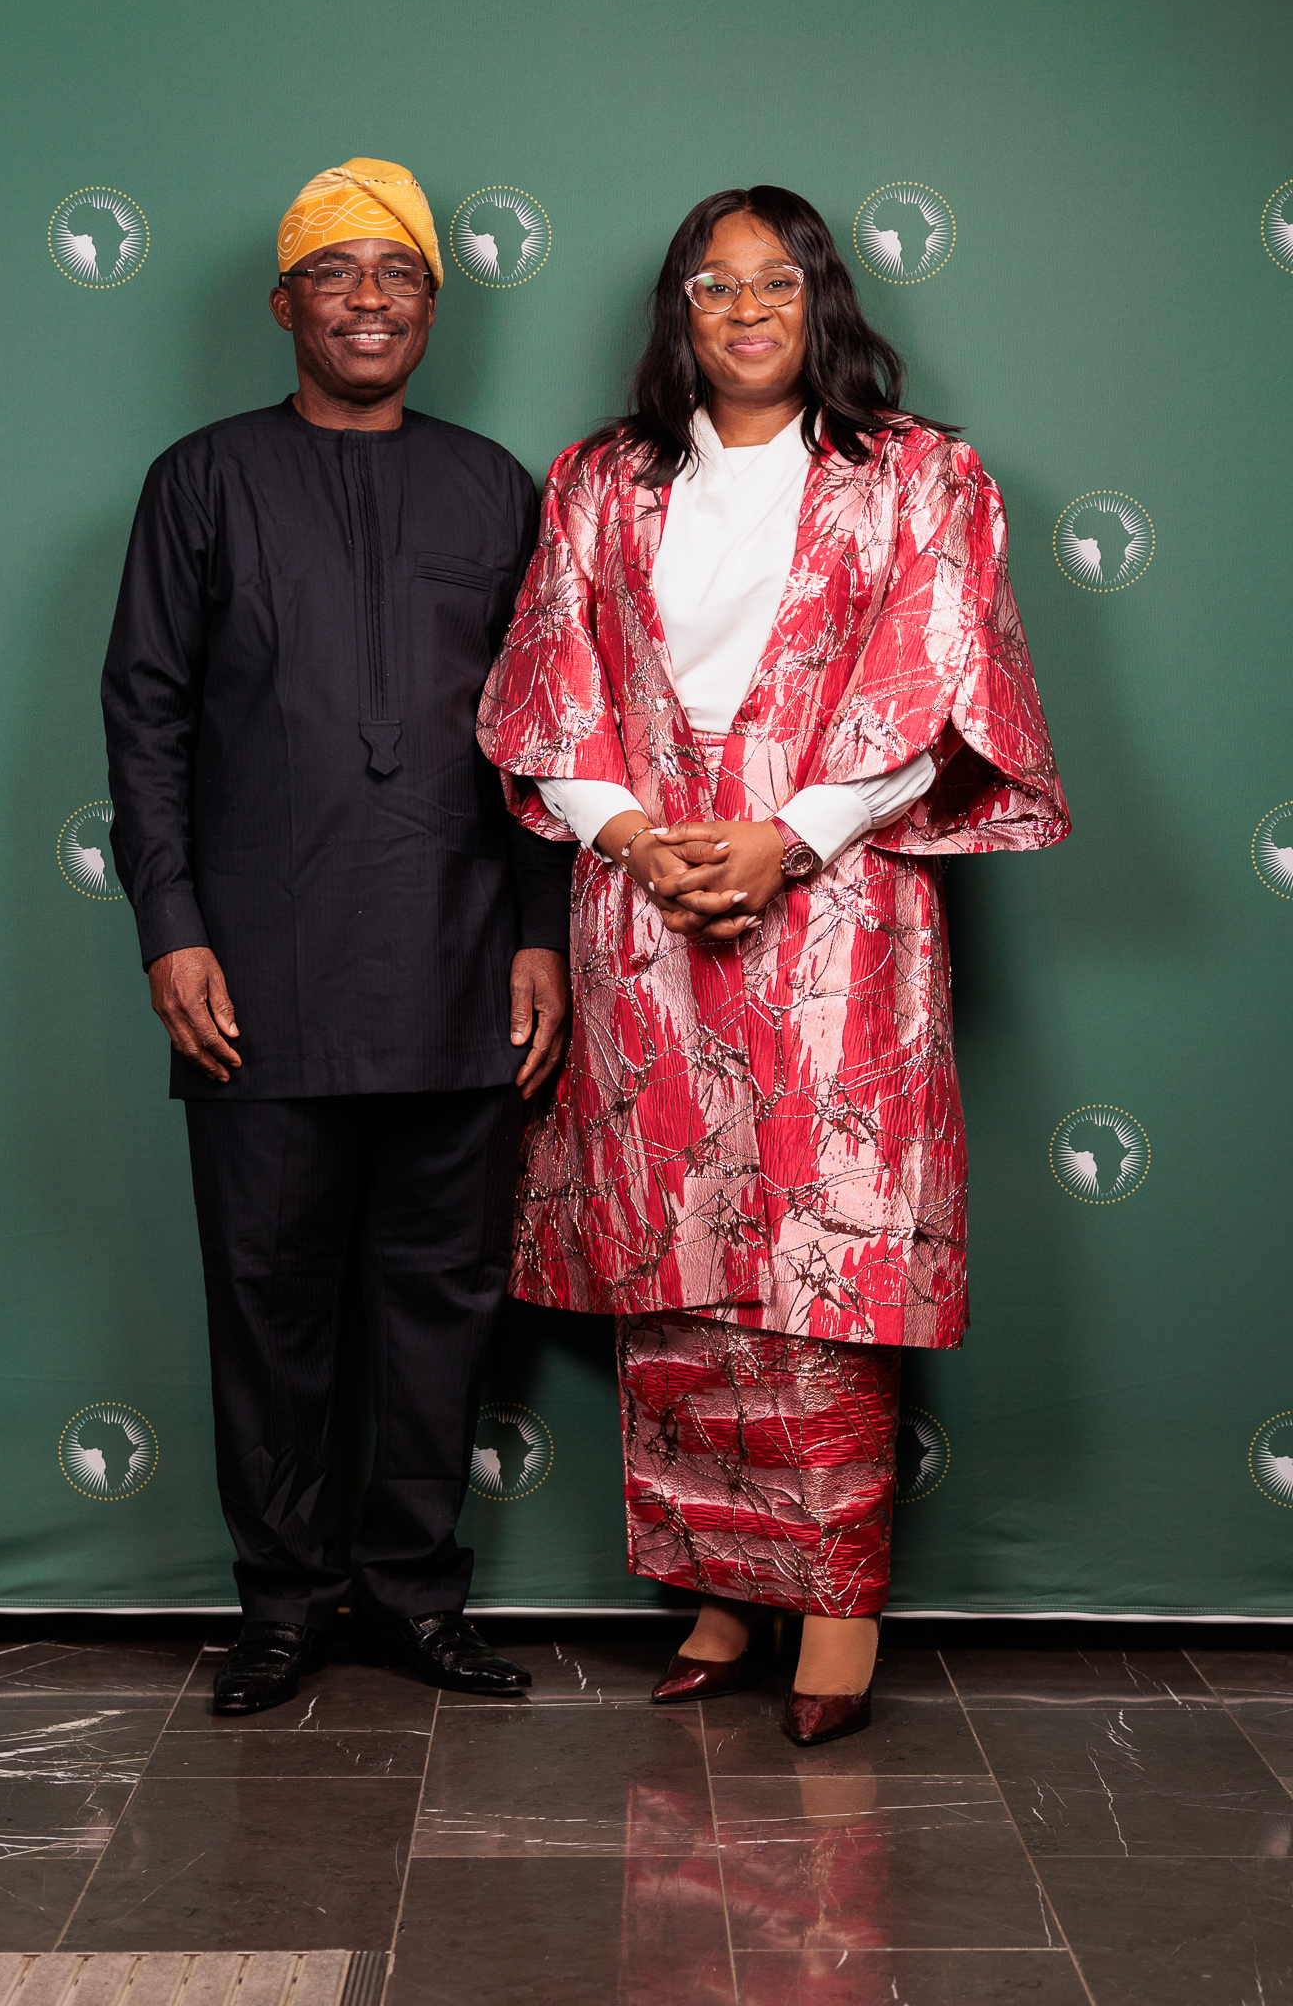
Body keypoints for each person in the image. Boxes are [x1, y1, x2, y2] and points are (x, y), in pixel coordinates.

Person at [478, 184, 1068, 1746]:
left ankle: (836, 1604)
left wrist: (787, 837)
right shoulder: (601, 480)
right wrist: (628, 837)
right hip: (645, 902)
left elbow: (939, 685)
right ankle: (721, 1592)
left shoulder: (920, 476)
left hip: (838, 909)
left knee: (822, 1257)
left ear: (823, 303)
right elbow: (552, 684)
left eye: (776, 284)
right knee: (676, 1257)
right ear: (677, 310)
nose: (745, 311)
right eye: (712, 285)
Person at [102, 157, 572, 1714]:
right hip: (257, 974)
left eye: (400, 274)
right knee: (270, 1303)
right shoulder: (201, 480)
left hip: (457, 964)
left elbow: (544, 732)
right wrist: (170, 923)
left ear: (434, 307)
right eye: (335, 272)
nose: (369, 300)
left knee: (443, 1304)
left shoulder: (496, 488)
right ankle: (285, 1607)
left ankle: (419, 1597)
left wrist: (541, 931)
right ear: (284, 303)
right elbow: (146, 715)